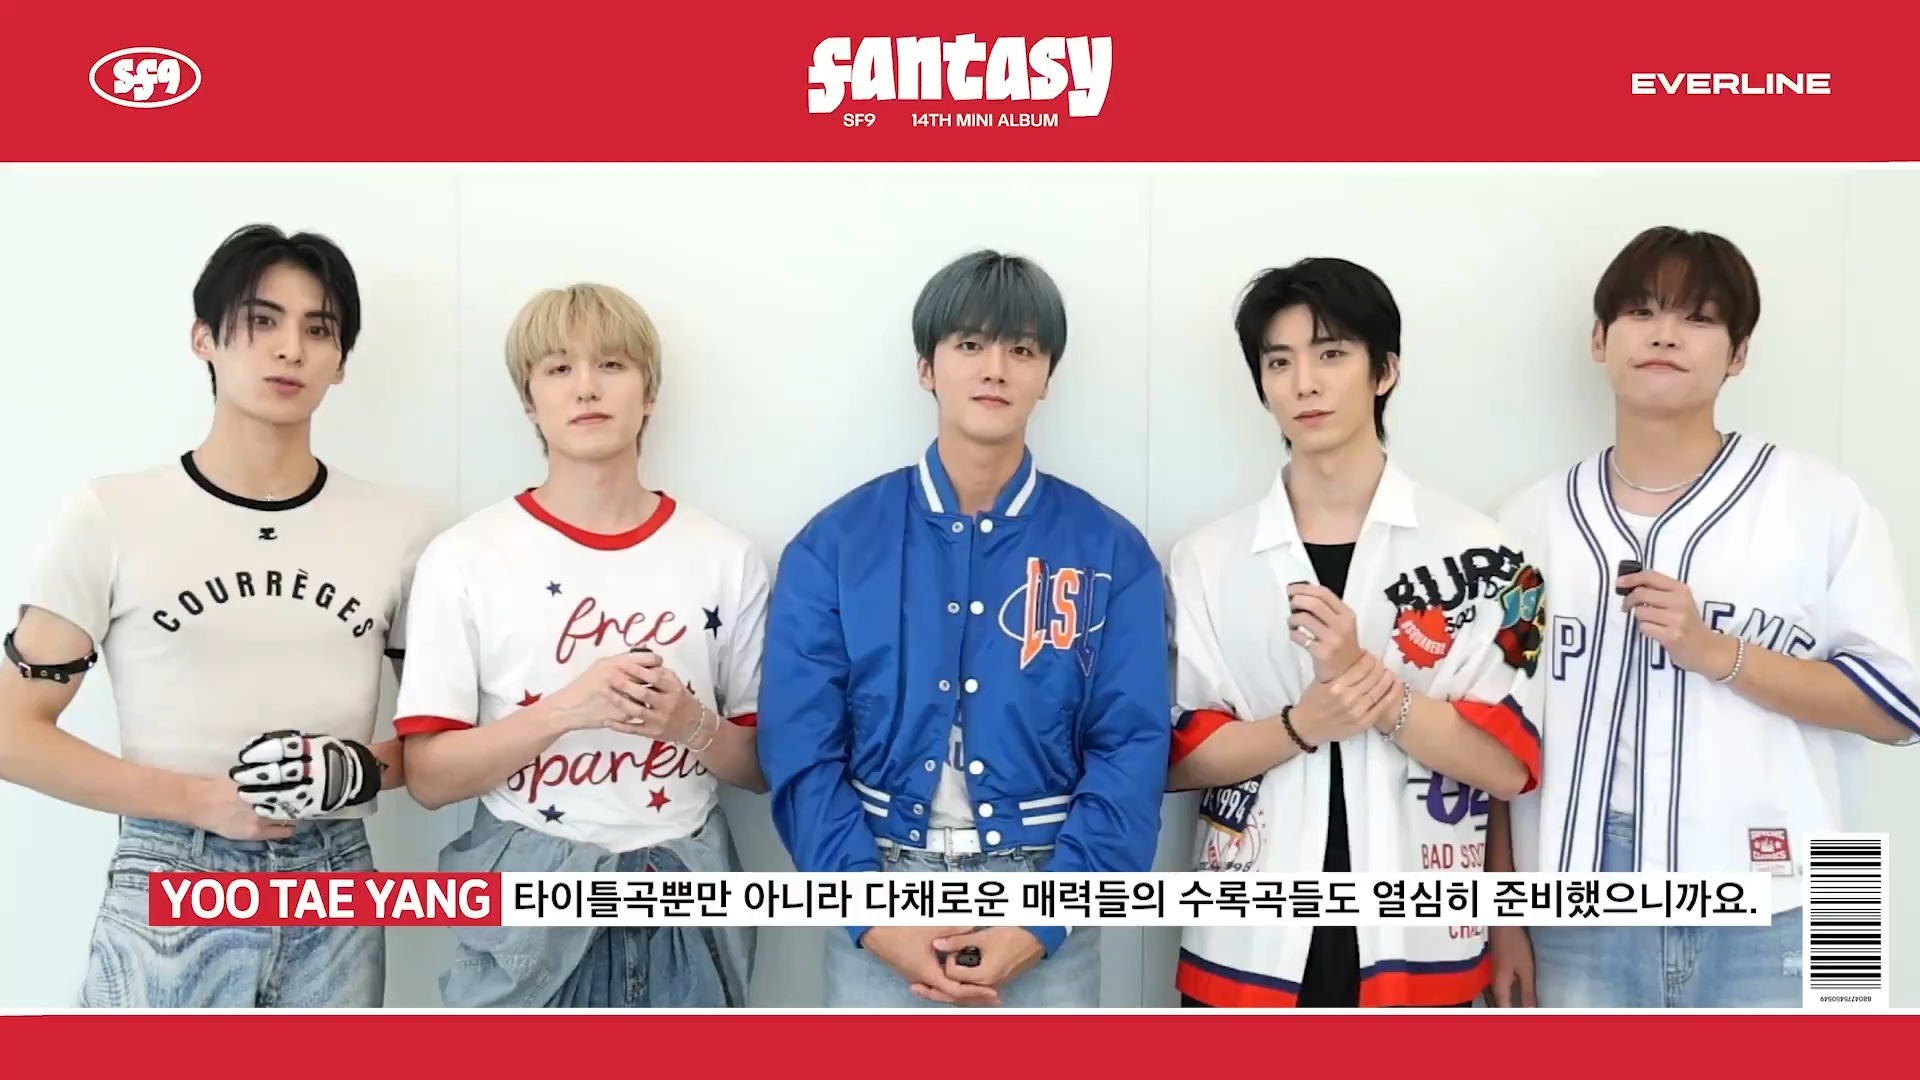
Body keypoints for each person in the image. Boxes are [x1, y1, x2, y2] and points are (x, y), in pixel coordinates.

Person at [0, 223, 437, 1007]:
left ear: (341, 362)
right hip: (172, 867)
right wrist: (193, 800)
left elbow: (448, 742)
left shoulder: (399, 527)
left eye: (319, 330)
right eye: (262, 321)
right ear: (203, 337)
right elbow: (10, 731)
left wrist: (356, 770)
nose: (290, 349)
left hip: (334, 875)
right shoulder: (113, 513)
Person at [1487, 226, 1919, 1009]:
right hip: (1574, 893)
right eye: (1641, 311)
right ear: (1599, 339)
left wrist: (1720, 652)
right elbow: (1491, 731)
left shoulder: (1821, 503)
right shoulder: (1526, 522)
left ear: (1738, 353)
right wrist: (1502, 914)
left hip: (1807, 891)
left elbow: (1900, 708)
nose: (1664, 335)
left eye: (1698, 317)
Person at [756, 249, 1170, 1009]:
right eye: (970, 345)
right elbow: (800, 748)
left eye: (1023, 350)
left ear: (1048, 376)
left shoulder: (1110, 551)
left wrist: (1046, 918)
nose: (995, 370)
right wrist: (868, 912)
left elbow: (1132, 749)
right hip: (878, 889)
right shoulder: (836, 544)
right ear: (927, 367)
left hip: (1047, 895)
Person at [1165, 257, 1544, 1008]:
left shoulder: (1489, 556)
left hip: (1422, 947)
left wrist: (1367, 685)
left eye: (1331, 354)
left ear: (1384, 371)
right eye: (1279, 362)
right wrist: (1303, 724)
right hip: (1246, 952)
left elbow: (1507, 768)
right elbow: (1175, 759)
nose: (1304, 383)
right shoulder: (1205, 559)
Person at [392, 282, 766, 1008]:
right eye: (559, 368)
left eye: (612, 365)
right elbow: (430, 777)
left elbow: (760, 766)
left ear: (649, 393)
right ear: (529, 401)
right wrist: (567, 709)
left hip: (686, 886)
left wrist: (687, 722)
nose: (586, 388)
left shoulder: (725, 557)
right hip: (526, 894)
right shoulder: (466, 557)